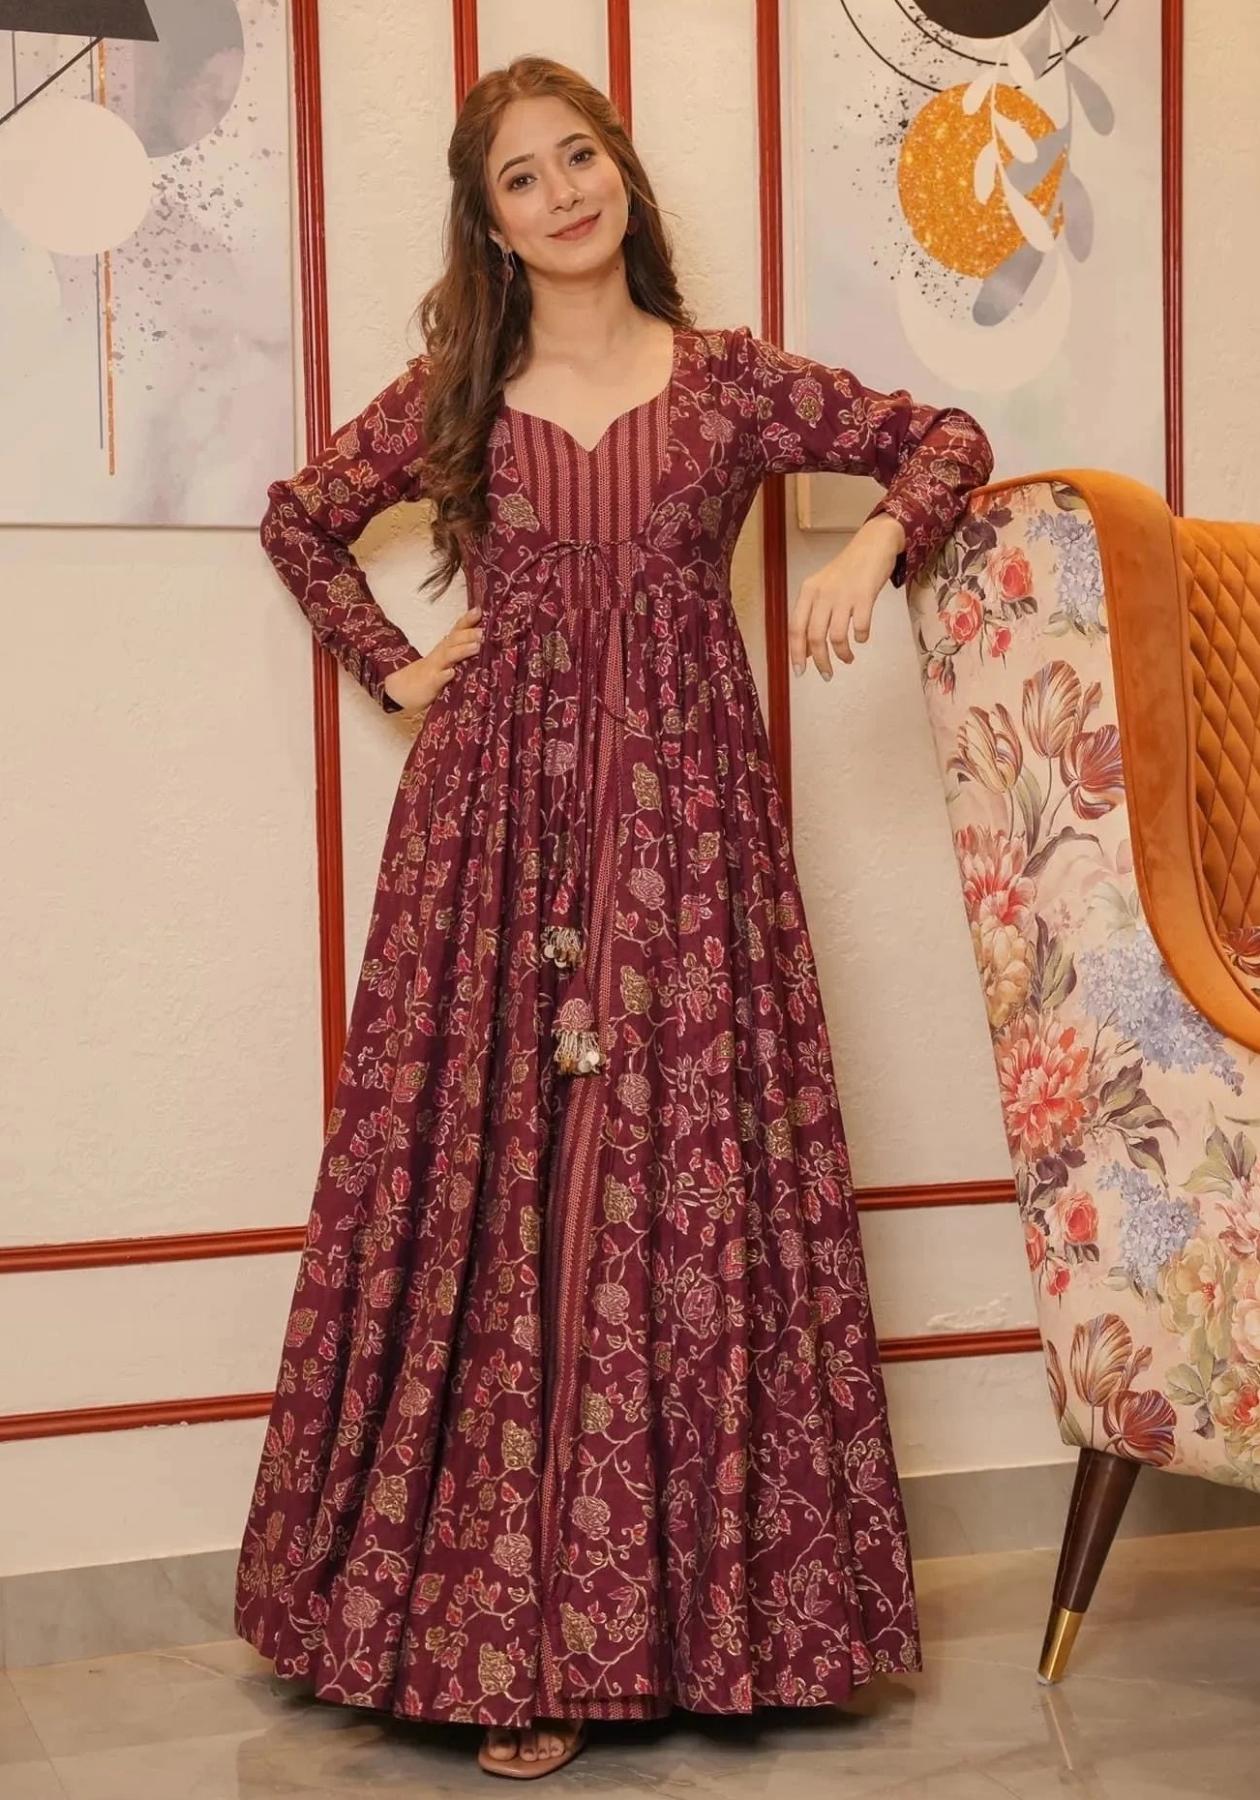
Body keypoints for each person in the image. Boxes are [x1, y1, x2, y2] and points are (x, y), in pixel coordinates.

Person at [234, 53, 994, 1783]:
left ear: (625, 177)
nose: (562, 192)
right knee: (501, 1195)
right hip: (490, 847)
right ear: (490, 223)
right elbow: (300, 521)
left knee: (664, 1187)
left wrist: (870, 545)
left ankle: (687, 1631)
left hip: (686, 841)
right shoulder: (458, 394)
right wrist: (396, 668)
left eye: (580, 157)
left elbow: (944, 440)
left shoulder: (728, 386)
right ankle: (507, 1647)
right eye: (522, 177)